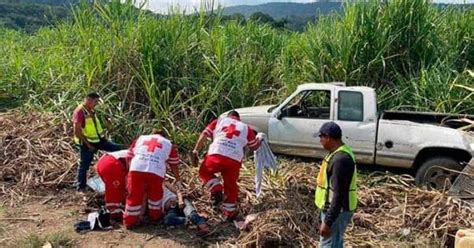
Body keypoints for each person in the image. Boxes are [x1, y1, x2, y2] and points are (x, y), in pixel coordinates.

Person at [192, 110, 260, 220]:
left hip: (216, 153)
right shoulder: (246, 128)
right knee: (231, 185)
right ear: (238, 119)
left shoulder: (219, 121)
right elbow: (254, 146)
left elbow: (204, 135)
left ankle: (216, 188)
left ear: (229, 117)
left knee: (204, 171)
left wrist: (195, 150)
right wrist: (259, 141)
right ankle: (229, 212)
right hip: (234, 159)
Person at [123, 130, 182, 229]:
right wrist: (178, 179)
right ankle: (155, 218)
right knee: (155, 195)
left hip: (136, 168)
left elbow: (128, 156)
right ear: (164, 136)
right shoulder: (168, 144)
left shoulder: (141, 138)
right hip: (156, 171)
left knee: (134, 195)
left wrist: (129, 172)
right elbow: (174, 164)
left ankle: (129, 222)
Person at [314, 122, 358, 248]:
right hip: (335, 211)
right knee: (335, 243)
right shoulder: (336, 153)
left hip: (337, 212)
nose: (320, 141)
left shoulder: (340, 160)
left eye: (321, 137)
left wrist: (328, 221)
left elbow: (338, 194)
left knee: (329, 245)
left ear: (328, 137)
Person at [73, 92, 122, 192]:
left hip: (98, 140)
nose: (96, 104)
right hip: (87, 143)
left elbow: (94, 126)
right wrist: (88, 144)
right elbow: (77, 131)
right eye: (95, 101)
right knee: (84, 165)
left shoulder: (90, 110)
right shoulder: (79, 112)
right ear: (88, 100)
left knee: (117, 149)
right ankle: (80, 187)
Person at [95, 150, 129, 220]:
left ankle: (117, 206)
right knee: (114, 191)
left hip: (104, 161)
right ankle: (114, 212)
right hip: (112, 164)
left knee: (118, 188)